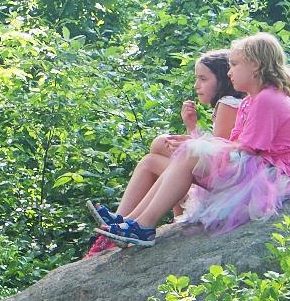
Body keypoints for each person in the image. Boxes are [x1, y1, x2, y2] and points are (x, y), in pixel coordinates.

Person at [95, 32, 290, 247]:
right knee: (186, 152)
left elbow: (250, 149)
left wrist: (199, 145)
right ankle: (133, 221)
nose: (229, 72)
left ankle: (142, 225)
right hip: (253, 167)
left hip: (267, 176)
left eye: (234, 65)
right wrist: (195, 142)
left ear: (255, 65)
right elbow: (234, 143)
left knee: (189, 153)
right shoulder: (250, 101)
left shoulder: (267, 99)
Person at [84, 49, 243, 257]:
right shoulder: (226, 104)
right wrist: (191, 128)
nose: (197, 85)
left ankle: (121, 227)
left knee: (150, 162)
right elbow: (210, 152)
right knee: (160, 145)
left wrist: (192, 136)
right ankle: (122, 222)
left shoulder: (228, 104)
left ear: (223, 79)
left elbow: (219, 157)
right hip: (216, 174)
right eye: (196, 79)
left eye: (203, 79)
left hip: (223, 188)